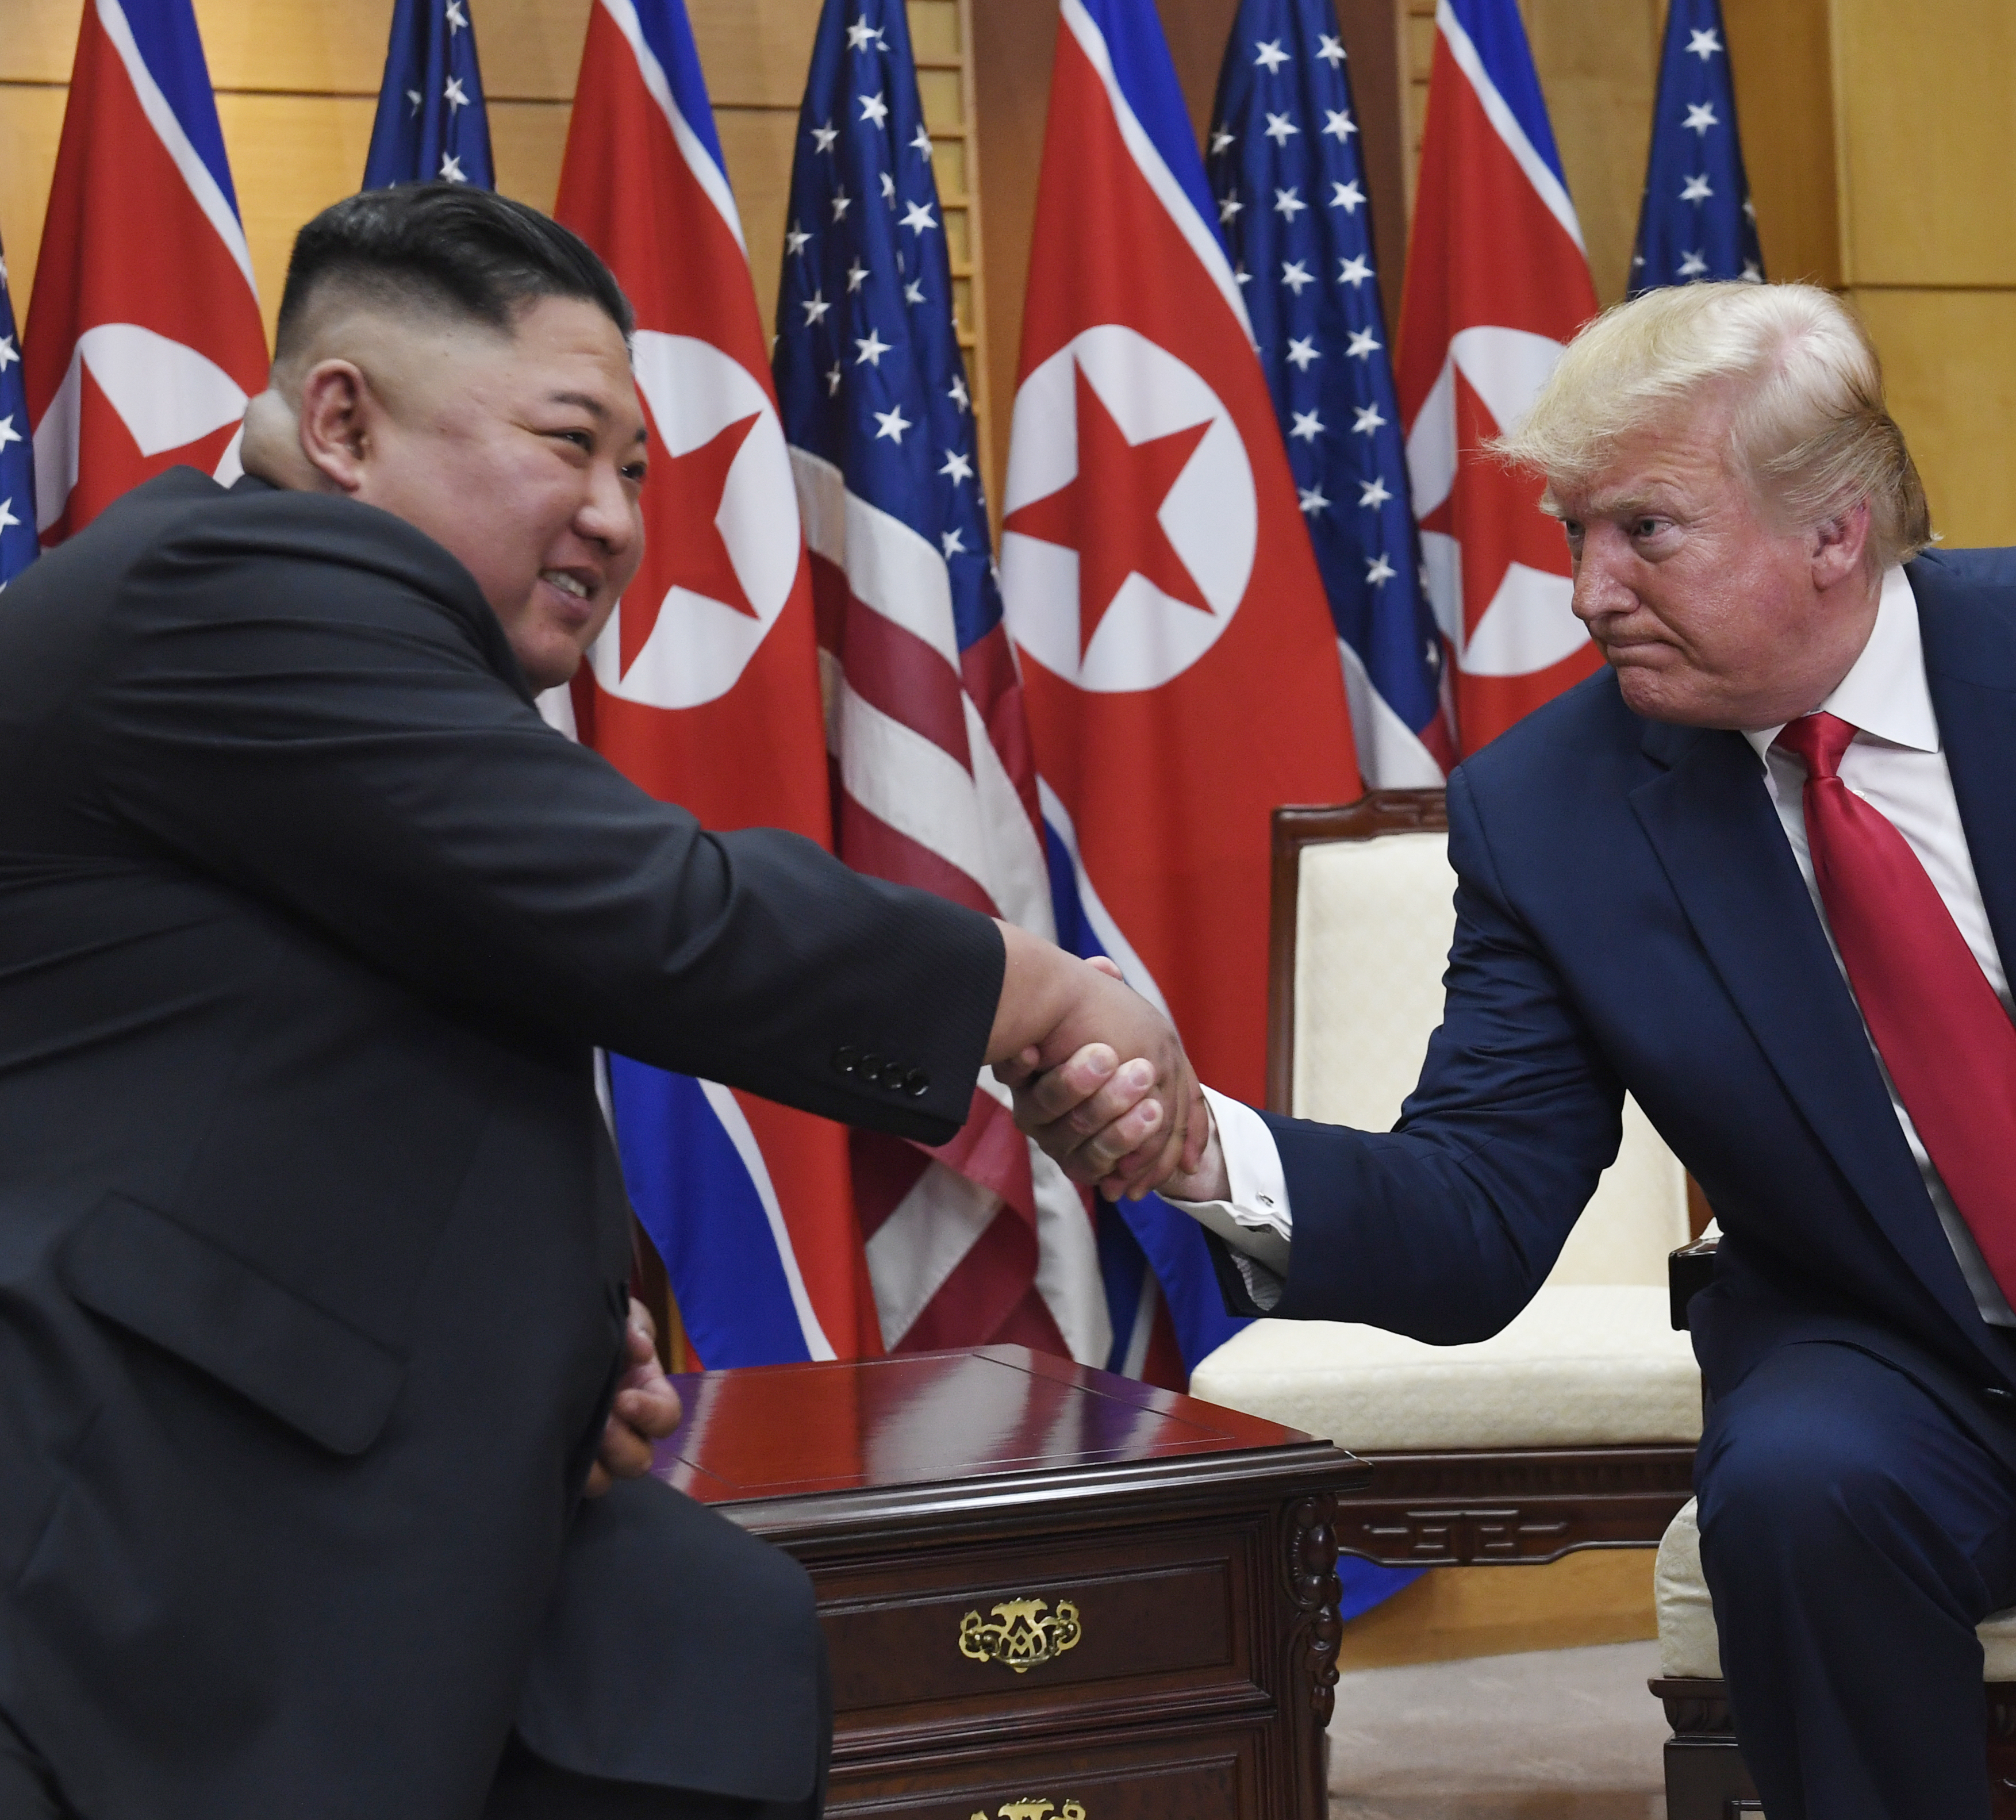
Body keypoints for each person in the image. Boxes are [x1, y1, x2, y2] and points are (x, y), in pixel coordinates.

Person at [1024, 281, 2016, 1818]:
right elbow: (1480, 1208)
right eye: (1572, 532)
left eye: (1644, 530)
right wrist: (1202, 1148)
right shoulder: (1550, 815)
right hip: (1922, 1365)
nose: (1585, 590)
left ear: (1835, 529)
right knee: (1794, 1487)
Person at [0, 184, 1193, 1820]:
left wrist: (548, 1336)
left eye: (636, 469)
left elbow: (313, 1064)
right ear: (342, 420)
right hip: (153, 1502)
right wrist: (1045, 991)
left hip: (389, 1457)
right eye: (569, 445)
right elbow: (660, 917)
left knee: (703, 1651)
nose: (621, 517)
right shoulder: (229, 589)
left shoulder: (307, 629)